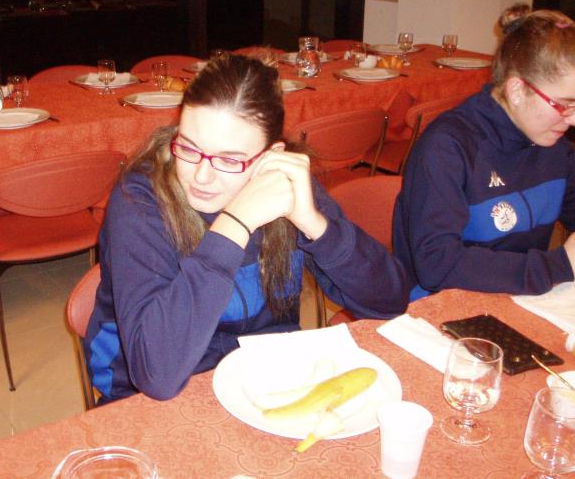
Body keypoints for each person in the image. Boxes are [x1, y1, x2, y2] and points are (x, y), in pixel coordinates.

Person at [85, 54, 408, 403]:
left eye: (229, 159)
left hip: (266, 379)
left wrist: (314, 224)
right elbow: (156, 375)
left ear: (272, 155)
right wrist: (235, 224)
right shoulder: (139, 200)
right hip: (151, 396)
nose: (201, 176)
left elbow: (389, 302)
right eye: (189, 148)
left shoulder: (282, 182)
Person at [394, 4, 575, 302]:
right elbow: (436, 265)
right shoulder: (447, 147)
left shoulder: (556, 147)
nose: (572, 119)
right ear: (516, 91)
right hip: (437, 306)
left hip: (519, 300)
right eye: (564, 104)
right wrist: (556, 266)